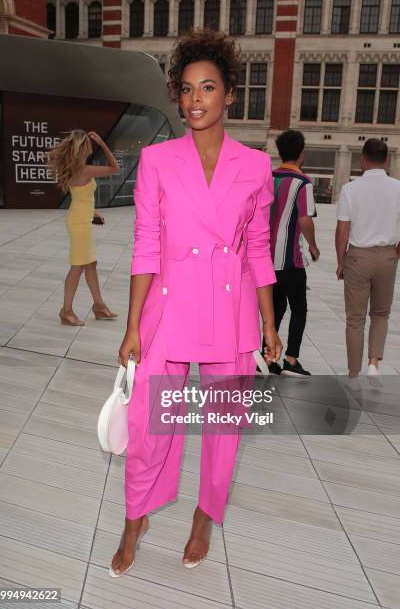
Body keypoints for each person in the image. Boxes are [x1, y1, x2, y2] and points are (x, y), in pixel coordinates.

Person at [111, 29, 282, 577]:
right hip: (169, 305)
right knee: (147, 422)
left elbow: (257, 249)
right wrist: (133, 325)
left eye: (207, 88)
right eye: (186, 89)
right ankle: (135, 517)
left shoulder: (256, 167)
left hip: (230, 314)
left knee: (222, 423)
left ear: (229, 94)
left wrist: (270, 323)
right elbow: (145, 245)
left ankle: (205, 516)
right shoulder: (157, 160)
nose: (195, 100)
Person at [335, 138, 400, 378]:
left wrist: (341, 262)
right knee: (381, 314)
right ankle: (374, 363)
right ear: (387, 160)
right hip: (387, 256)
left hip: (358, 257)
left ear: (362, 160)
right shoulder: (398, 188)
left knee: (355, 319)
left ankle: (354, 372)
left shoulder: (351, 189)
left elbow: (343, 230)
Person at [261, 130, 319, 377]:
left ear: (279, 152)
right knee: (299, 308)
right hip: (290, 260)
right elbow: (305, 219)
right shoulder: (302, 183)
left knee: (272, 309)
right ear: (301, 154)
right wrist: (313, 245)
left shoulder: (267, 179)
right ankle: (291, 359)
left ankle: (267, 357)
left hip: (265, 259)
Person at [47, 130, 119, 326]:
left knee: (90, 264)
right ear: (82, 148)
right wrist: (103, 143)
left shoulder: (78, 169)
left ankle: (99, 305)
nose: (90, 147)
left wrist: (93, 214)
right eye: (88, 144)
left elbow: (82, 197)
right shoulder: (84, 170)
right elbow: (115, 168)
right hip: (79, 223)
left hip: (81, 218)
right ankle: (66, 311)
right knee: (78, 266)